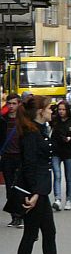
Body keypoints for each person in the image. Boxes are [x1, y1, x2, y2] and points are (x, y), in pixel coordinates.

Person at [11, 96, 71, 254]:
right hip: (35, 194)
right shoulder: (32, 134)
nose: (53, 111)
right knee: (32, 235)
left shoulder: (39, 130)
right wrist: (35, 194)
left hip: (39, 192)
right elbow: (31, 166)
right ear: (40, 111)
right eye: (49, 108)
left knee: (46, 233)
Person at [50, 100, 71, 210]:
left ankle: (68, 199)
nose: (61, 112)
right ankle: (57, 199)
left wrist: (70, 139)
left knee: (68, 176)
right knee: (57, 175)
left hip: (69, 152)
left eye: (63, 109)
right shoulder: (54, 121)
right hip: (56, 152)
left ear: (67, 110)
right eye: (59, 109)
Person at [2, 92, 23, 228]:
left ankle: (21, 216)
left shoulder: (23, 120)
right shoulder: (2, 120)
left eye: (14, 103)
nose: (11, 106)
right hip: (7, 157)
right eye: (9, 103)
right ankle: (14, 216)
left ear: (19, 104)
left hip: (20, 157)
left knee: (20, 187)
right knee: (10, 188)